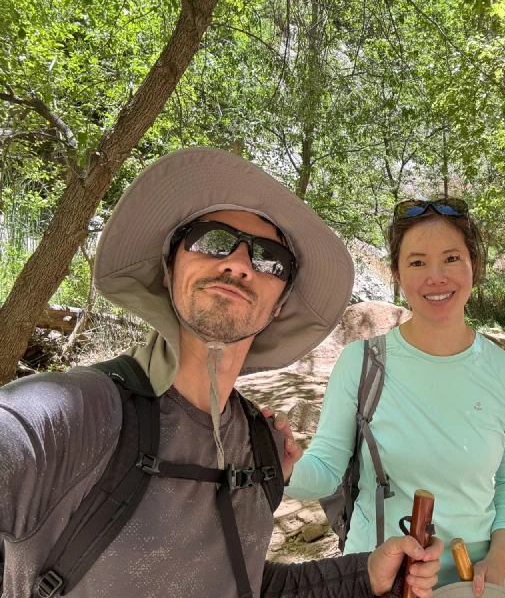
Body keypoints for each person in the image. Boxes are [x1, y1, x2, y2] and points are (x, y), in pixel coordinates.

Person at [0, 148, 443, 598]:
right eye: (212, 240)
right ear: (170, 269)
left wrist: (365, 575)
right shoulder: (61, 417)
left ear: (278, 307)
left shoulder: (258, 446)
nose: (238, 264)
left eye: (269, 258)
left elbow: (244, 583)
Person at [284, 198, 505, 596]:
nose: (435, 277)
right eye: (417, 262)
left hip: (472, 582)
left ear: (475, 266)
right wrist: (280, 469)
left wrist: (501, 556)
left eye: (451, 258)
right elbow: (326, 469)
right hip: (379, 576)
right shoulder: (362, 364)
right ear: (398, 275)